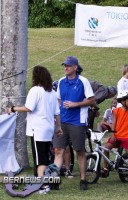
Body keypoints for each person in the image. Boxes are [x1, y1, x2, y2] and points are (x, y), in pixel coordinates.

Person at [6, 65, 62, 194]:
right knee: (44, 156)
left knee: (40, 159)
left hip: (38, 129)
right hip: (48, 128)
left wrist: (13, 108)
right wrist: (58, 127)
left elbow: (28, 108)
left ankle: (43, 186)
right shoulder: (52, 93)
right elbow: (57, 113)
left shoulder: (35, 90)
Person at [52, 56, 95, 190]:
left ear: (75, 67)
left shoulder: (83, 81)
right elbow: (58, 99)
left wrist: (75, 104)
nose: (66, 67)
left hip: (78, 122)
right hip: (62, 122)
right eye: (65, 65)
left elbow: (91, 100)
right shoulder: (61, 82)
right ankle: (54, 180)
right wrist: (58, 113)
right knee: (58, 150)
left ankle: (83, 180)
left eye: (68, 65)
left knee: (79, 151)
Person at [101, 90, 128, 184]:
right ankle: (105, 168)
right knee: (106, 148)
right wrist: (113, 134)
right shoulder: (116, 111)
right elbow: (114, 123)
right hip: (117, 134)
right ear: (122, 101)